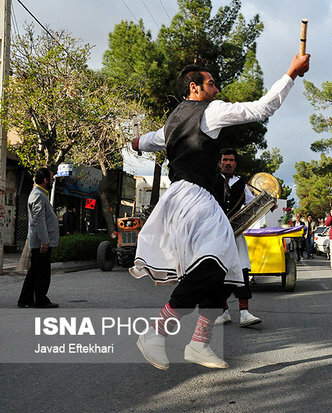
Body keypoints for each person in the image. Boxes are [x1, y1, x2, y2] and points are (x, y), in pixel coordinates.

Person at [129, 53, 310, 370]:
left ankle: (200, 342)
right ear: (195, 88)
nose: (216, 88)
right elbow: (261, 108)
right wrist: (291, 73)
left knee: (226, 271)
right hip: (195, 198)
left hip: (185, 201)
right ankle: (156, 332)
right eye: (211, 83)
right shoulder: (210, 111)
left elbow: (147, 141)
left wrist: (135, 142)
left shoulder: (172, 121)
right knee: (212, 267)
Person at [212, 148, 262, 328]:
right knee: (217, 273)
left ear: (235, 163)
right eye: (224, 159)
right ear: (220, 162)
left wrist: (268, 204)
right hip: (215, 235)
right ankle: (223, 312)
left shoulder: (241, 183)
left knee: (241, 271)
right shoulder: (210, 180)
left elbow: (252, 203)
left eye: (231, 160)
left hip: (235, 235)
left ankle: (244, 313)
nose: (228, 163)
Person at [17, 168, 59, 308]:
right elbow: (38, 220)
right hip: (41, 242)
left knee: (35, 271)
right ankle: (40, 299)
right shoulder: (38, 195)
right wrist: (45, 241)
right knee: (41, 272)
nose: (53, 181)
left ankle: (26, 299)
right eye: (51, 178)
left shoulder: (41, 194)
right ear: (45, 180)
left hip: (40, 241)